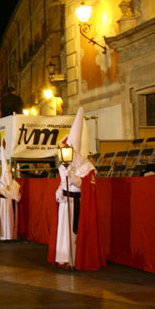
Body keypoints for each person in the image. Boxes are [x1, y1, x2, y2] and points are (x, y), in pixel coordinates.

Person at [47, 107, 106, 270]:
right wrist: (58, 194)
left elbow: (85, 185)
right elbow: (60, 183)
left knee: (75, 232)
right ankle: (64, 258)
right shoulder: (64, 165)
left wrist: (71, 176)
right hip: (66, 202)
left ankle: (76, 259)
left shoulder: (87, 166)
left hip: (78, 203)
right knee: (63, 231)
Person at [0, 148, 21, 241]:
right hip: (1, 203)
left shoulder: (14, 184)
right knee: (2, 220)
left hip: (9, 204)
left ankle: (10, 236)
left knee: (9, 220)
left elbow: (18, 196)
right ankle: (2, 236)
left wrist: (14, 196)